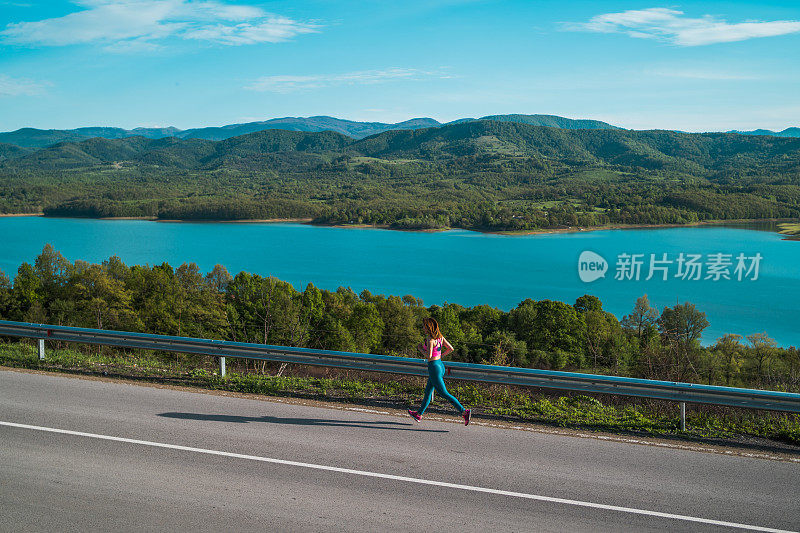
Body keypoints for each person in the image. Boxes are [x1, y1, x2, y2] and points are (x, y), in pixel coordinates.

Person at [408, 317, 471, 425]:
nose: (423, 328)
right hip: (440, 365)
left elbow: (429, 356)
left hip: (433, 367)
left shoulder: (430, 340)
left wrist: (420, 349)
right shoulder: (440, 337)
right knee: (428, 391)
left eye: (424, 326)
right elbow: (451, 348)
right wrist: (440, 355)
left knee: (444, 393)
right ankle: (418, 414)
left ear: (428, 327)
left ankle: (464, 411)